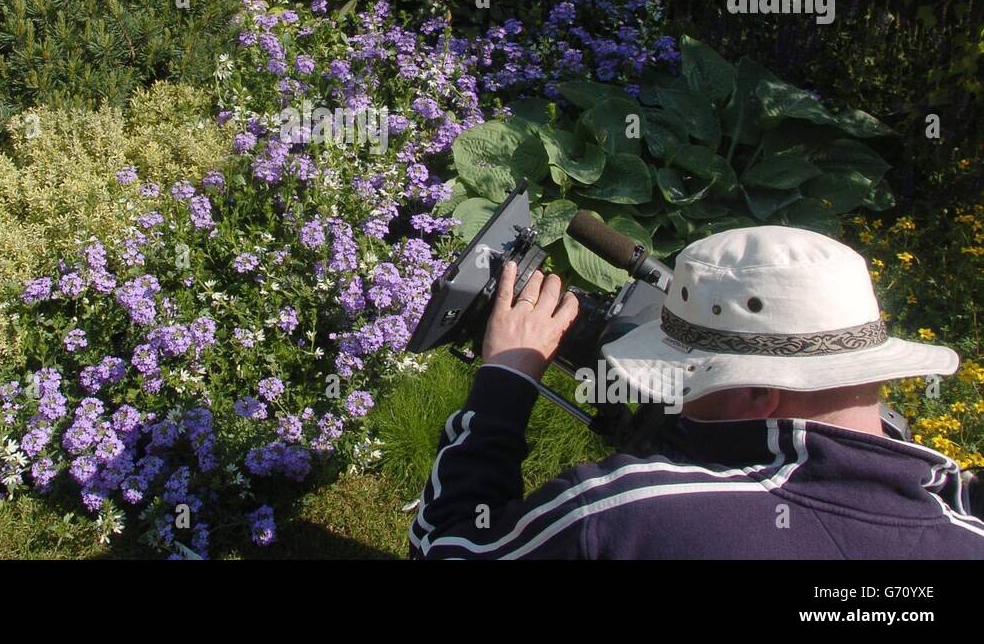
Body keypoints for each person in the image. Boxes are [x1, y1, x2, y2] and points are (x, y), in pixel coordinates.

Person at [409, 226, 984, 559]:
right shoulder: (965, 521)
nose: (672, 400)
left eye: (685, 379)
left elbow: (446, 548)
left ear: (757, 394)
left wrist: (506, 380)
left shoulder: (629, 515)